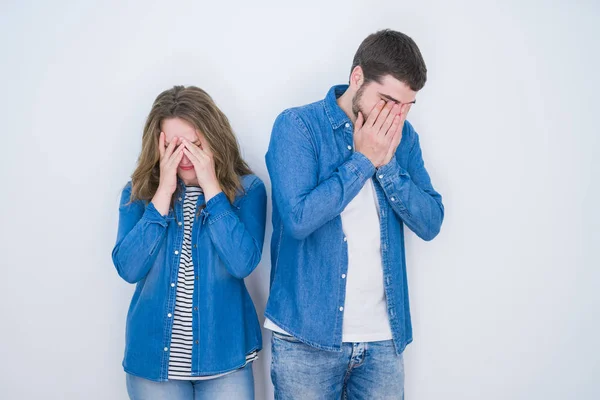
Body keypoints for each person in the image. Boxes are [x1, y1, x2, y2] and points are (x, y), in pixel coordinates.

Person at [264, 29, 444, 399]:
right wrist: (362, 161)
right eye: (389, 100)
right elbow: (298, 219)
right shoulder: (298, 127)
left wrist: (388, 164)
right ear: (357, 78)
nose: (397, 116)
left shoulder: (404, 138)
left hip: (382, 341)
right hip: (306, 339)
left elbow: (431, 222)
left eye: (407, 106)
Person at [112, 85, 266, 399]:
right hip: (153, 367)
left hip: (226, 362)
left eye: (195, 144)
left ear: (213, 138)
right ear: (157, 146)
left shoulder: (247, 191)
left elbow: (243, 263)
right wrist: (162, 195)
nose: (184, 157)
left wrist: (211, 187)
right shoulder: (138, 195)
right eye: (172, 146)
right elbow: (128, 268)